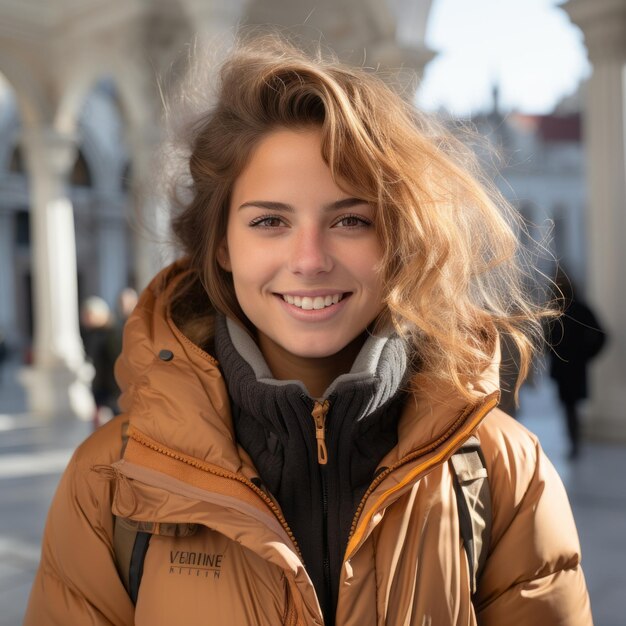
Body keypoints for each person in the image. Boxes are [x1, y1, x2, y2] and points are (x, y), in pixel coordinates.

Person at [25, 36, 592, 625]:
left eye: (350, 220)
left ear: (396, 238)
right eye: (270, 221)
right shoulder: (108, 486)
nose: (310, 259)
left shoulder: (505, 471)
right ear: (221, 244)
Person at [548, 269, 606, 459]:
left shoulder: (578, 309)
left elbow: (601, 335)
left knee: (571, 406)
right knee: (569, 406)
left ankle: (575, 444)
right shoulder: (554, 310)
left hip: (573, 367)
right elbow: (548, 340)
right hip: (564, 368)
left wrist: (587, 355)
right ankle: (574, 443)